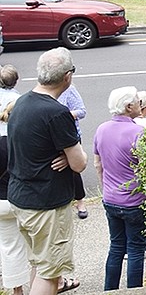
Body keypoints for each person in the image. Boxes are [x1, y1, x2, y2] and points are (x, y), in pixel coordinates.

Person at [7, 48, 88, 295]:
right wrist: (68, 154)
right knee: (50, 273)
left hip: (21, 198)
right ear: (67, 76)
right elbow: (80, 164)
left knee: (39, 263)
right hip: (46, 205)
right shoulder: (56, 113)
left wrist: (63, 154)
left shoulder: (21, 103)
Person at [94, 87, 146, 290]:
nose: (140, 103)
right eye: (137, 101)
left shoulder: (101, 129)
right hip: (134, 202)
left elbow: (98, 164)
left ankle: (109, 291)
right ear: (128, 107)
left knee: (116, 246)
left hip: (110, 200)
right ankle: (134, 292)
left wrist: (105, 189)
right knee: (135, 249)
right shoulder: (138, 132)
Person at [0, 67, 30, 295]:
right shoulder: (20, 140)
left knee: (9, 248)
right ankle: (44, 286)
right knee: (36, 245)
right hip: (23, 197)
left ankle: (17, 292)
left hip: (0, 203)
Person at [56, 85, 89, 219]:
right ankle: (60, 204)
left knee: (74, 169)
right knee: (55, 167)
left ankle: (80, 202)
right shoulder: (43, 91)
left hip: (70, 136)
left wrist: (63, 116)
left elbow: (81, 111)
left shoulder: (69, 90)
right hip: (52, 137)